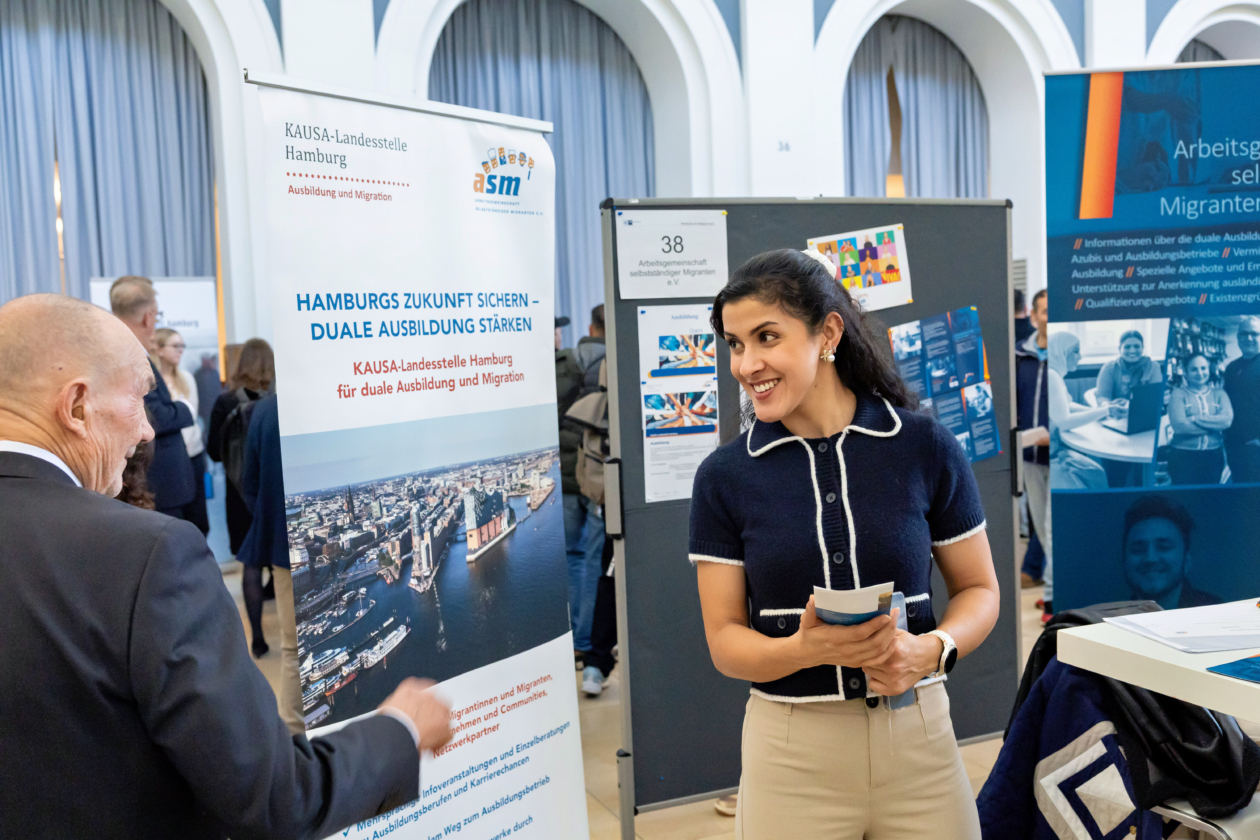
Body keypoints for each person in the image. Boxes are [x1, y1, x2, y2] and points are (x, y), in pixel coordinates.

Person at [0, 294, 450, 839]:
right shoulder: (148, 557)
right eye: (140, 398)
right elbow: (275, 798)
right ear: (75, 407)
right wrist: (399, 730)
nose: (147, 431)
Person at [691, 250, 1000, 836]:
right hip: (789, 756)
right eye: (734, 343)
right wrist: (806, 650)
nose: (746, 363)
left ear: (827, 333)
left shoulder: (924, 446)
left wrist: (932, 649)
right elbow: (725, 641)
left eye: (766, 337)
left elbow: (980, 589)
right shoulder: (724, 477)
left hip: (920, 741)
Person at [1044, 331, 1125, 620]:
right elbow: (1064, 419)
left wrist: (1103, 410)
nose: (1080, 357)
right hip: (1056, 459)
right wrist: (1101, 413)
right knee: (1092, 483)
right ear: (1064, 352)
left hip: (1060, 455)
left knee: (1096, 474)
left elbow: (1065, 407)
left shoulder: (1055, 375)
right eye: (1076, 352)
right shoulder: (1052, 375)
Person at [238, 393, 303, 732]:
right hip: (303, 542)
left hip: (282, 545)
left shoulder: (265, 407)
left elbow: (249, 482)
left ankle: (294, 742)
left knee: (294, 651)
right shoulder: (343, 391)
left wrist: (277, 525)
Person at [207, 338, 275, 656]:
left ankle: (258, 639)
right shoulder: (277, 401)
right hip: (273, 491)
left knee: (250, 562)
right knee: (279, 556)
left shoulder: (224, 402)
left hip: (238, 494)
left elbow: (212, 452)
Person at [109, 276, 198, 520]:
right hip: (158, 484)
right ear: (149, 316)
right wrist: (185, 408)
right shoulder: (131, 357)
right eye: (156, 317)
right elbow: (152, 416)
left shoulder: (114, 351)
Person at [557, 307, 607, 667]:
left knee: (573, 557)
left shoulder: (566, 364)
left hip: (566, 474)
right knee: (595, 558)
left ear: (589, 328)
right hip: (600, 475)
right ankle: (589, 640)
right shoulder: (616, 362)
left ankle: (576, 638)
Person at [152, 327, 210, 534]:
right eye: (175, 346)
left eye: (182, 346)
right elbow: (164, 419)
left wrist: (176, 414)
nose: (180, 350)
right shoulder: (152, 383)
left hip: (193, 454)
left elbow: (190, 415)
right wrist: (178, 413)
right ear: (159, 349)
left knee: (198, 517)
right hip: (168, 459)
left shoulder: (187, 378)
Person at [1121, 495, 1220, 609]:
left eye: (1164, 547)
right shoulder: (1104, 621)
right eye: (1138, 550)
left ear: (1186, 560)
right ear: (1124, 560)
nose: (1150, 558)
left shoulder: (1219, 614)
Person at [1015, 290, 1050, 589]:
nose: (1048, 319)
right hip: (1030, 457)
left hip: (1061, 456)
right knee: (1040, 522)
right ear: (1034, 316)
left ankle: (1053, 590)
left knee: (1054, 527)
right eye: (1044, 312)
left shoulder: (1065, 356)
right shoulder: (1020, 355)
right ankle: (1048, 584)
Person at [1167, 353, 1232, 485]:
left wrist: (1194, 418)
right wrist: (1214, 426)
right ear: (1185, 372)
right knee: (1184, 499)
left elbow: (1226, 421)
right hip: (1183, 457)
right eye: (1194, 369)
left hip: (1213, 455)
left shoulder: (1220, 394)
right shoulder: (1178, 394)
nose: (1200, 373)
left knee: (1209, 498)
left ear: (1209, 369)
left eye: (1203, 368)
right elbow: (1179, 426)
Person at [1224, 315, 1260, 484]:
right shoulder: (1231, 368)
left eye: (1254, 333)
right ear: (1238, 337)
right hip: (1234, 446)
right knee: (1239, 490)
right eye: (1244, 334)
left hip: (1256, 447)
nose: (1249, 338)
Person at [1095, 329, 1162, 405]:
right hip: (1115, 413)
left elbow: (1155, 397)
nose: (1132, 351)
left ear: (1143, 348)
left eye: (1136, 346)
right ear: (1120, 349)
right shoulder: (1109, 368)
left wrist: (1131, 405)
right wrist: (1109, 407)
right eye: (1127, 347)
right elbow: (1102, 397)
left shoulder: (1153, 367)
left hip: (1143, 411)